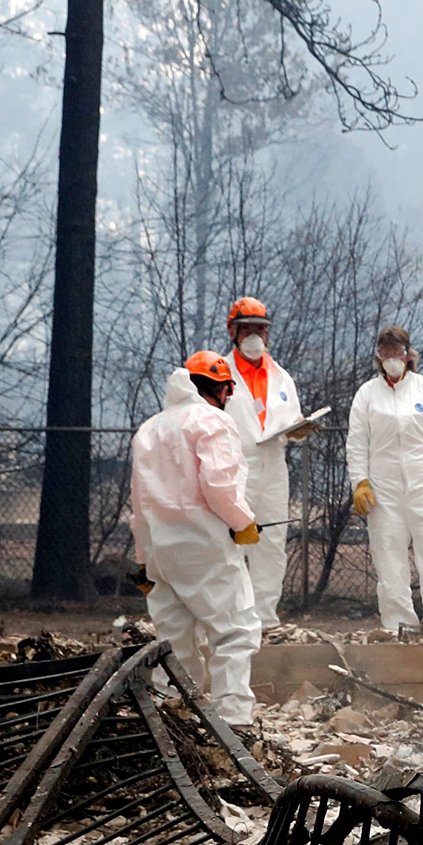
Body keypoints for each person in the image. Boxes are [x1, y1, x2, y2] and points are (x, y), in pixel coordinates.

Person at [130, 352, 264, 727]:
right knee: (234, 631)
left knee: (173, 641)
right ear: (221, 388)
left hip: (161, 551)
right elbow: (219, 484)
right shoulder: (212, 421)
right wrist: (243, 522)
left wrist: (143, 557)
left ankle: (171, 719)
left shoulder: (149, 430)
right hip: (205, 545)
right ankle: (233, 720)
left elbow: (139, 502)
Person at [346, 326, 423, 634]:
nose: (392, 359)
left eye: (397, 352)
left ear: (408, 354)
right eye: (386, 353)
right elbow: (357, 443)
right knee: (389, 565)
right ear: (378, 356)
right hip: (384, 494)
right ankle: (399, 629)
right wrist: (359, 481)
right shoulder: (367, 395)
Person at [222, 296, 321, 628]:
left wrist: (300, 430)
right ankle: (232, 615)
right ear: (233, 332)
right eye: (246, 329)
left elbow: (291, 420)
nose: (253, 337)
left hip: (274, 465)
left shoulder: (282, 378)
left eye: (259, 330)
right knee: (231, 541)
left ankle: (264, 616)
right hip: (235, 465)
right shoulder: (221, 373)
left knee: (272, 544)